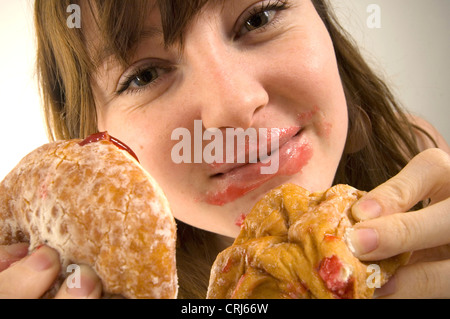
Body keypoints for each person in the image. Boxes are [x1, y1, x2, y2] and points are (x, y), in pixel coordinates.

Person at [0, 0, 449, 299]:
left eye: (258, 18)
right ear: (94, 142)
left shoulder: (413, 157)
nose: (234, 107)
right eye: (145, 75)